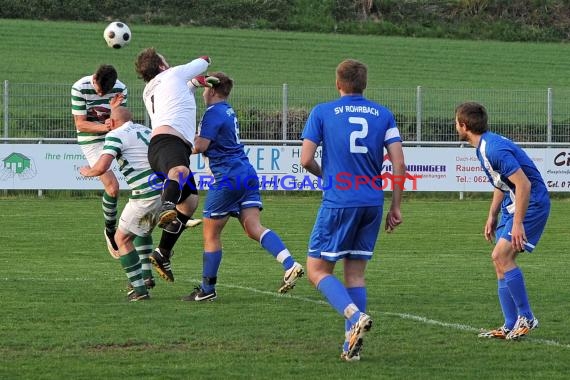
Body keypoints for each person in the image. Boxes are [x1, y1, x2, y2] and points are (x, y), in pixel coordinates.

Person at [300, 59, 405, 361]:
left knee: (316, 270)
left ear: (337, 83)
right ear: (365, 84)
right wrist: (396, 205)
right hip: (373, 202)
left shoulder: (322, 112)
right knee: (355, 275)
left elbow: (306, 159)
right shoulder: (383, 114)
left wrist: (327, 176)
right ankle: (351, 348)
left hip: (339, 201)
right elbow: (399, 164)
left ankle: (354, 315)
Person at [184, 72, 304, 302]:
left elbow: (200, 146)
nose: (203, 94)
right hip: (246, 173)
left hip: (228, 177)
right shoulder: (228, 110)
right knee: (252, 227)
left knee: (211, 235)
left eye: (205, 89)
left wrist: (176, 144)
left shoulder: (213, 113)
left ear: (212, 90)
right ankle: (290, 264)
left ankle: (207, 290)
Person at [455, 102, 550, 340]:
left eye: (456, 122)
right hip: (513, 202)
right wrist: (492, 214)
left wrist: (517, 223)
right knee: (499, 262)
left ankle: (527, 317)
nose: (455, 126)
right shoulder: (485, 146)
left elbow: (524, 184)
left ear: (464, 126)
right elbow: (503, 182)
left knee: (501, 256)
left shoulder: (493, 149)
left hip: (532, 202)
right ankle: (510, 323)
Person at [134, 48, 211, 283]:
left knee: (190, 202)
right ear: (161, 65)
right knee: (180, 172)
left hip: (161, 146)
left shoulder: (150, 90)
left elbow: (178, 95)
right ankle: (166, 206)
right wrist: (201, 69)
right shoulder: (173, 74)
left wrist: (193, 84)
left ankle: (163, 252)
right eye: (165, 59)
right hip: (171, 143)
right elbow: (204, 61)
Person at [79, 104, 161, 301]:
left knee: (121, 239)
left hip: (145, 194)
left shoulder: (116, 134)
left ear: (114, 121)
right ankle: (146, 276)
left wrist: (88, 171)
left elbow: (102, 166)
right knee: (140, 232)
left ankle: (140, 291)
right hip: (164, 192)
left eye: (109, 121)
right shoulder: (147, 130)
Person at [72, 64, 127, 257]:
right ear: (94, 79)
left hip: (116, 134)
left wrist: (113, 115)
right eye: (99, 91)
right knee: (112, 188)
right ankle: (110, 231)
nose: (102, 94)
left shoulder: (121, 88)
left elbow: (120, 120)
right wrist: (105, 128)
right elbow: (81, 124)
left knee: (141, 176)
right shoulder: (80, 87)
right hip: (92, 139)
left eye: (106, 92)